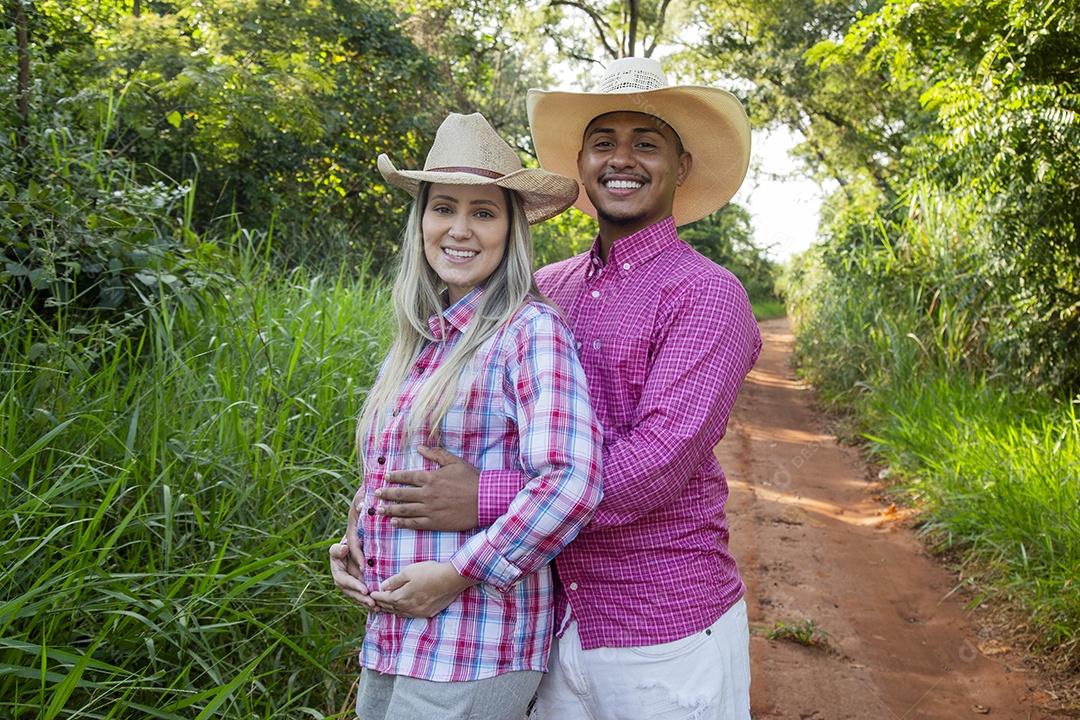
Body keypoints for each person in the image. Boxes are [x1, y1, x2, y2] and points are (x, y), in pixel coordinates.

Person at [338, 57, 762, 719]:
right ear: (582, 166)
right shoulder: (548, 289)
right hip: (549, 617)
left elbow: (654, 467)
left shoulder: (708, 296)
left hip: (659, 622)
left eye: (645, 143)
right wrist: (373, 526)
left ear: (680, 166)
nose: (621, 159)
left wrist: (481, 496)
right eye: (603, 143)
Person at [328, 111, 602, 720]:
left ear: (512, 230)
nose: (460, 229)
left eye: (484, 212)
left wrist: (456, 573)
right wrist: (356, 532)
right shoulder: (424, 340)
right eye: (443, 207)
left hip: (476, 641)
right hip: (396, 634)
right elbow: (398, 464)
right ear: (420, 219)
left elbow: (571, 481)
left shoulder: (530, 332)